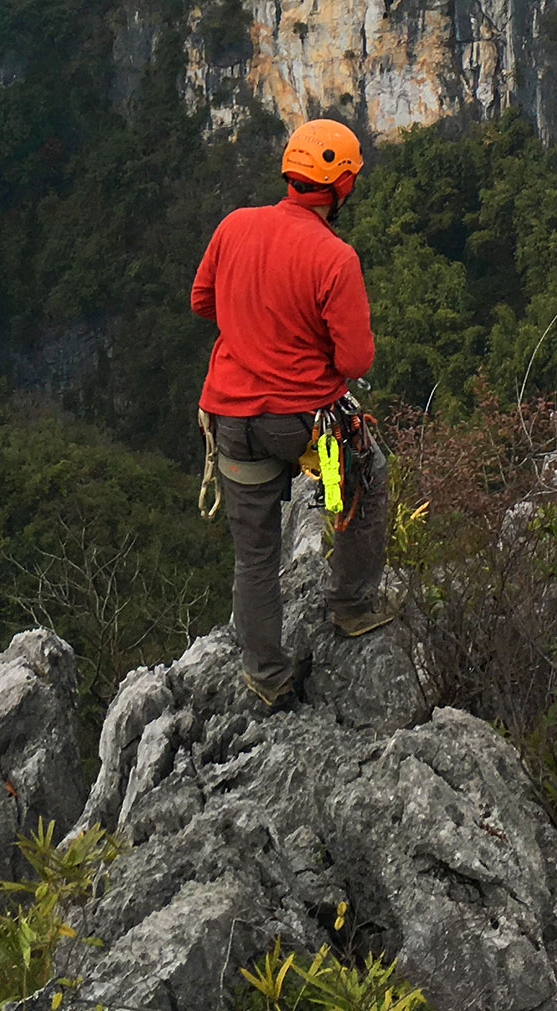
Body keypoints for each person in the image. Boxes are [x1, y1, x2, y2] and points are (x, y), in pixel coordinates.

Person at [191, 117, 394, 709]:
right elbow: (355, 357)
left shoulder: (235, 226)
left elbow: (203, 300)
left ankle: (267, 677)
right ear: (343, 186)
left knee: (255, 555)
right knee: (360, 486)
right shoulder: (335, 258)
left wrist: (253, 325)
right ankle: (352, 607)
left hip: (231, 422)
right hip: (305, 428)